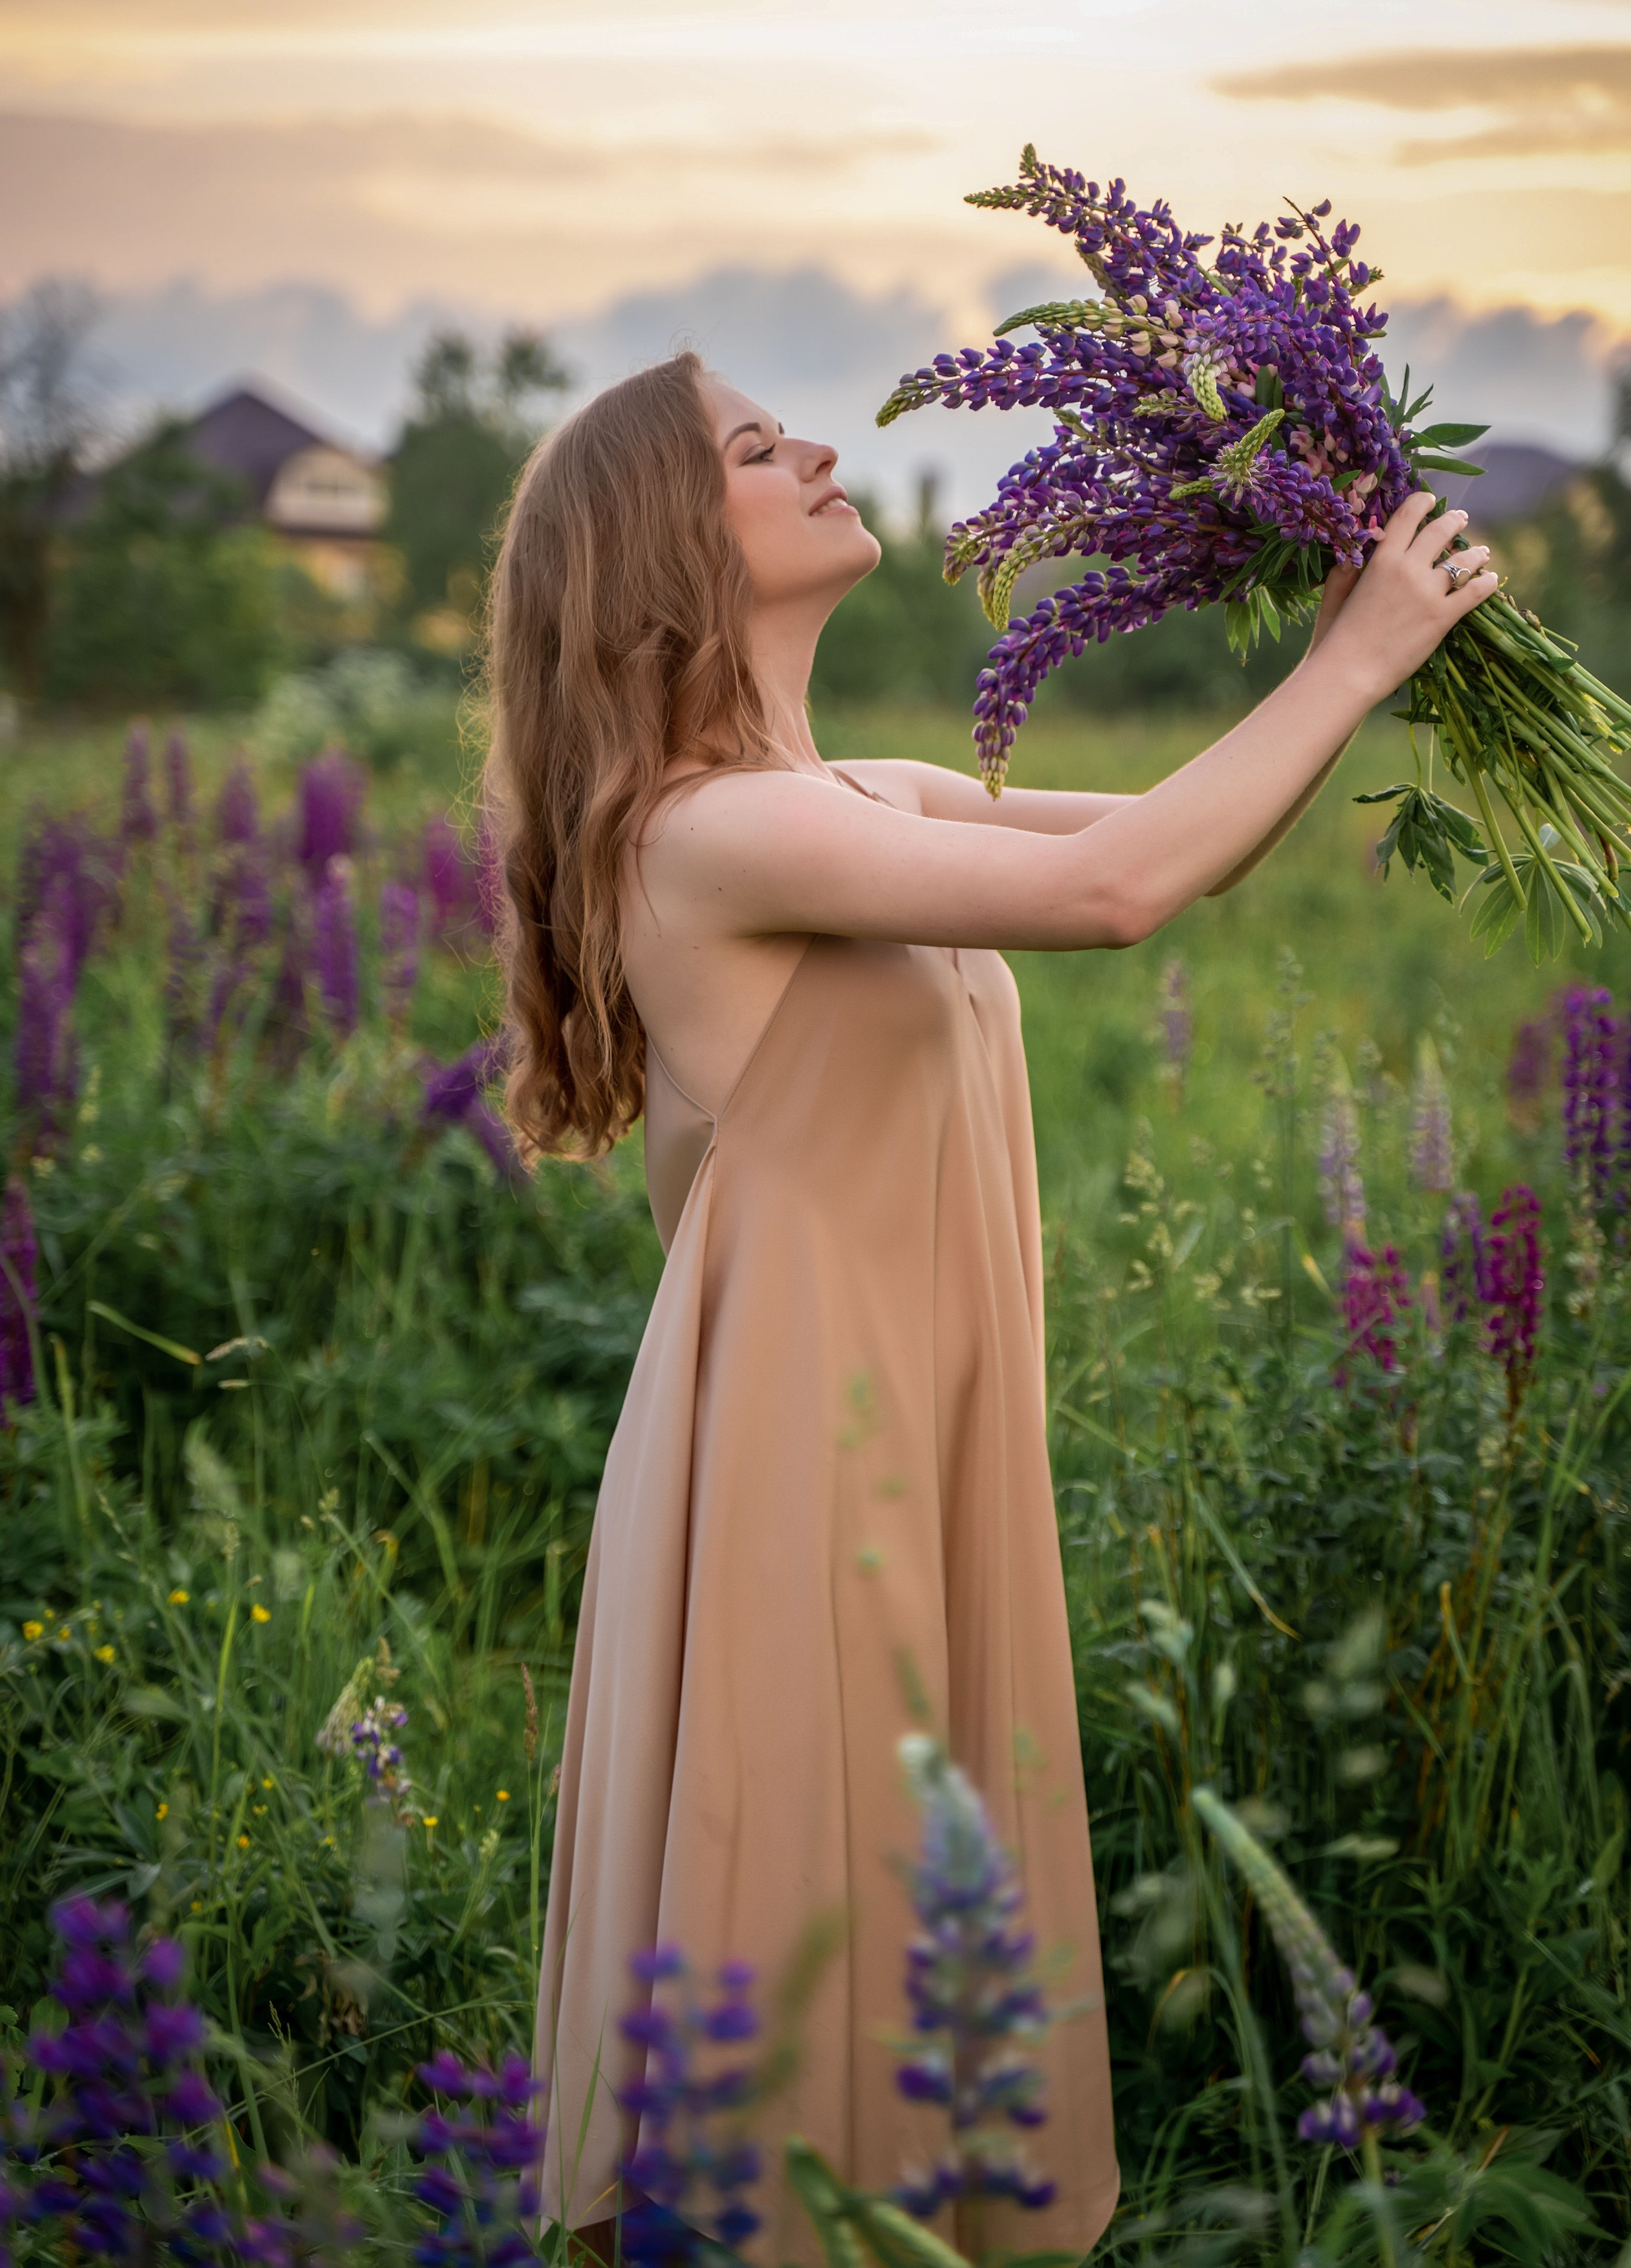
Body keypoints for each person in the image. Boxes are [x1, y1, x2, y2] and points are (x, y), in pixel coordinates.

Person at [484, 352, 1494, 2262]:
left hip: (918, 1439)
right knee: (821, 1920)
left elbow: (1182, 840)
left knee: (910, 1924)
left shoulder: (872, 795)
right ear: (658, 556)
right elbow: (1121, 892)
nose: (820, 450)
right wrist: (1357, 647)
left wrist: (1372, 621)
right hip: (800, 1465)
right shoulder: (706, 836)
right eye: (756, 449)